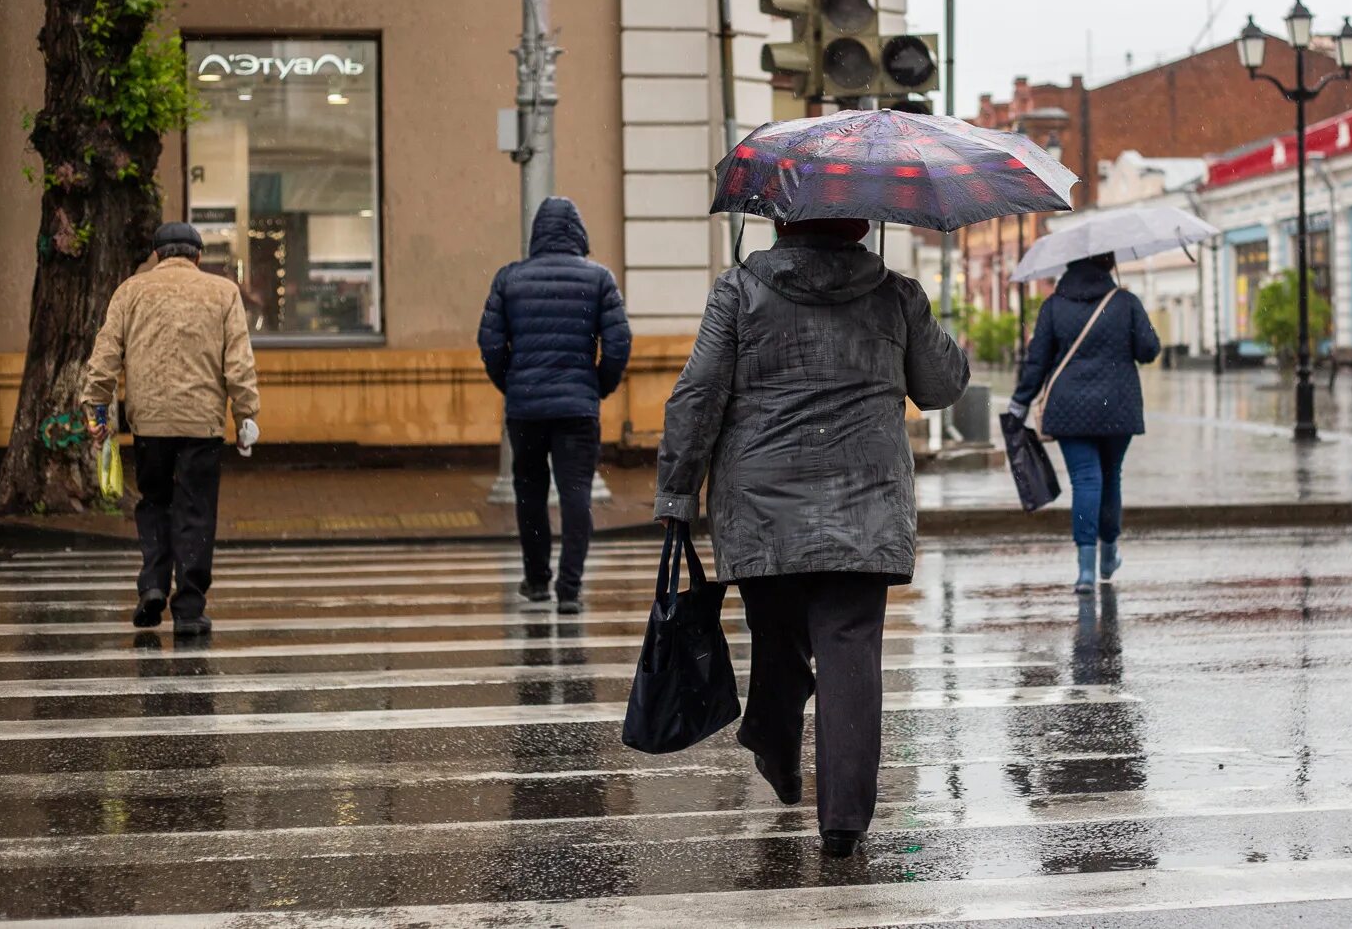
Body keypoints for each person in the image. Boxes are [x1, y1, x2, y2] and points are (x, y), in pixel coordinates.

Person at [654, 217, 968, 858]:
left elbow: (700, 394)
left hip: (763, 502)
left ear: (779, 219)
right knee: (851, 648)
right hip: (866, 504)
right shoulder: (896, 293)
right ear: (860, 222)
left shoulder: (738, 289)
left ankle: (773, 737)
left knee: (777, 636)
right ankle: (844, 817)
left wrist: (678, 493)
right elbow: (940, 387)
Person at [83, 221, 261, 637]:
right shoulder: (223, 293)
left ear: (157, 255)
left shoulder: (130, 291)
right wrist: (247, 413)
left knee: (155, 502)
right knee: (195, 512)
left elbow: (105, 354)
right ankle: (189, 608)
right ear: (197, 256)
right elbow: (239, 360)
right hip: (202, 424)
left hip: (149, 422)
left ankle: (153, 585)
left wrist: (96, 408)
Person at [478, 196, 631, 615]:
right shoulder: (598, 279)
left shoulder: (510, 279)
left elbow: (490, 345)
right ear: (578, 233)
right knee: (576, 494)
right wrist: (597, 386)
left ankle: (537, 580)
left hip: (525, 409)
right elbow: (618, 344)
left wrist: (512, 384)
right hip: (577, 409)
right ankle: (569, 589)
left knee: (529, 493)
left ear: (537, 234)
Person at [1007, 253, 1160, 593]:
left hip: (1069, 408)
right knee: (1111, 478)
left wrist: (1020, 402)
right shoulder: (1125, 301)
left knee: (1086, 480)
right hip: (1118, 406)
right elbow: (1149, 350)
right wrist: (1130, 319)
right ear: (1108, 264)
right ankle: (1109, 555)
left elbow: (1037, 361)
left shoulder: (1054, 306)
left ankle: (1085, 571)